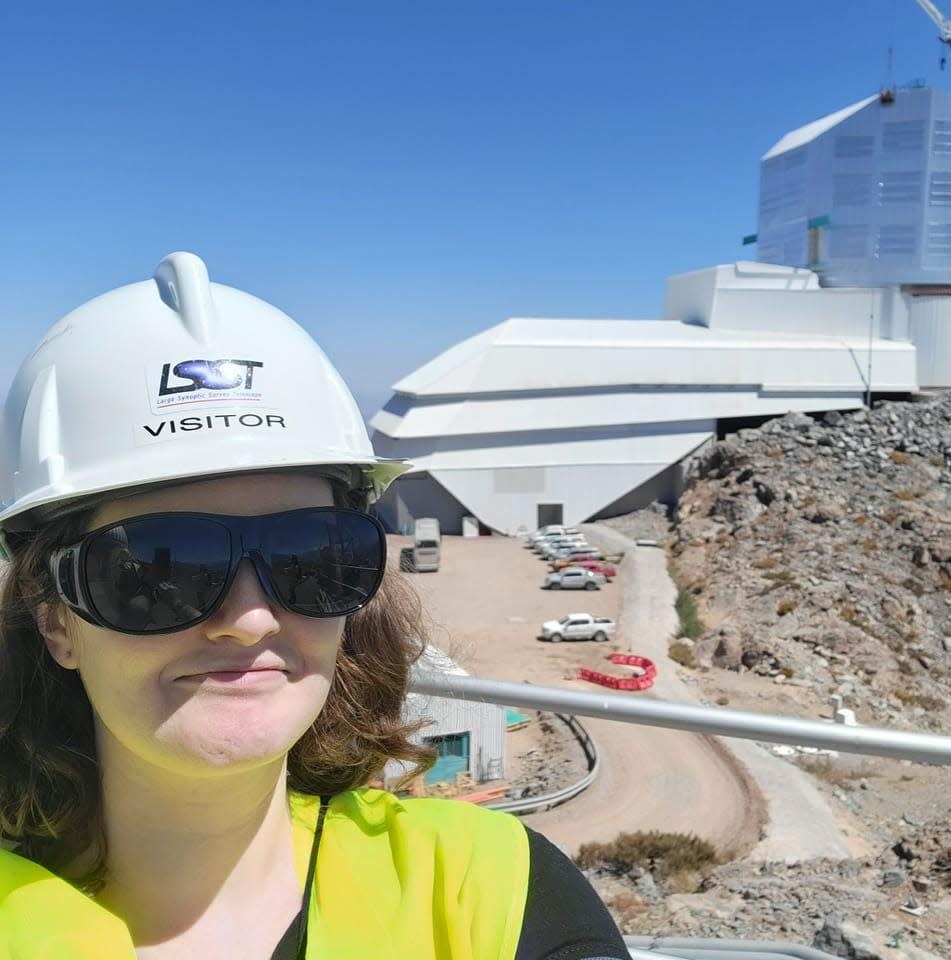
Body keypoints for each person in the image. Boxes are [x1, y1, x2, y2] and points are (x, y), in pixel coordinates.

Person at [0, 253, 629, 959]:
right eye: (158, 569)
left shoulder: (496, 889)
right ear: (57, 619)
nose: (251, 618)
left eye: (309, 557)